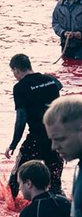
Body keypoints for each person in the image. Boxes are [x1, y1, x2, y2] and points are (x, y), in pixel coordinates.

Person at [5, 54, 63, 199]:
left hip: (36, 139)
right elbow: (59, 87)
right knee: (54, 182)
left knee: (17, 177)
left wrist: (13, 144)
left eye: (14, 73)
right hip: (56, 138)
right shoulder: (51, 80)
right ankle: (57, 211)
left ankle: (10, 211)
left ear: (17, 70)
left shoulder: (20, 87)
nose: (15, 76)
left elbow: (21, 118)